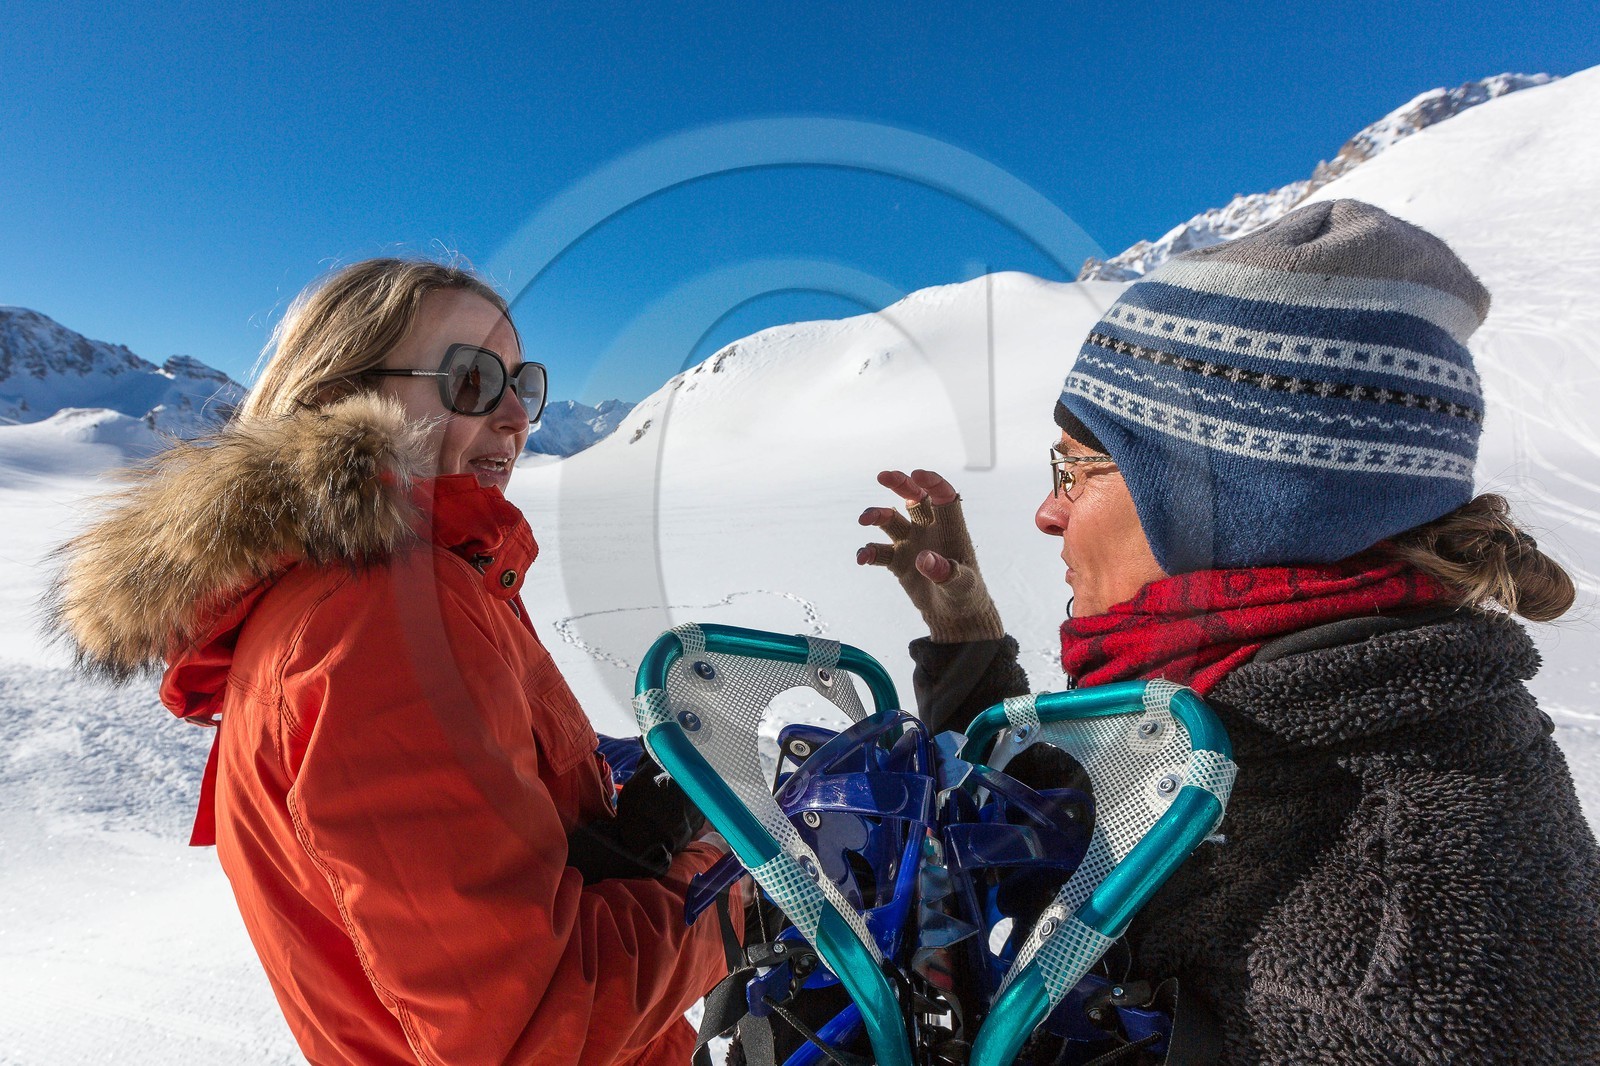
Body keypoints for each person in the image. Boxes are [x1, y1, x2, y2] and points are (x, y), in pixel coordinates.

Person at [858, 201, 1600, 1063]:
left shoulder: (1394, 964)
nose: (1047, 512)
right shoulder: (1276, 729)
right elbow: (1069, 812)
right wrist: (967, 636)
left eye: (1078, 468)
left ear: (1231, 506)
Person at [48, 259, 734, 1065]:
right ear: (342, 401)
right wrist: (746, 890)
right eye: (473, 379)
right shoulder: (380, 618)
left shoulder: (382, 587)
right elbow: (537, 1028)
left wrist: (625, 812)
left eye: (523, 383)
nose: (517, 417)